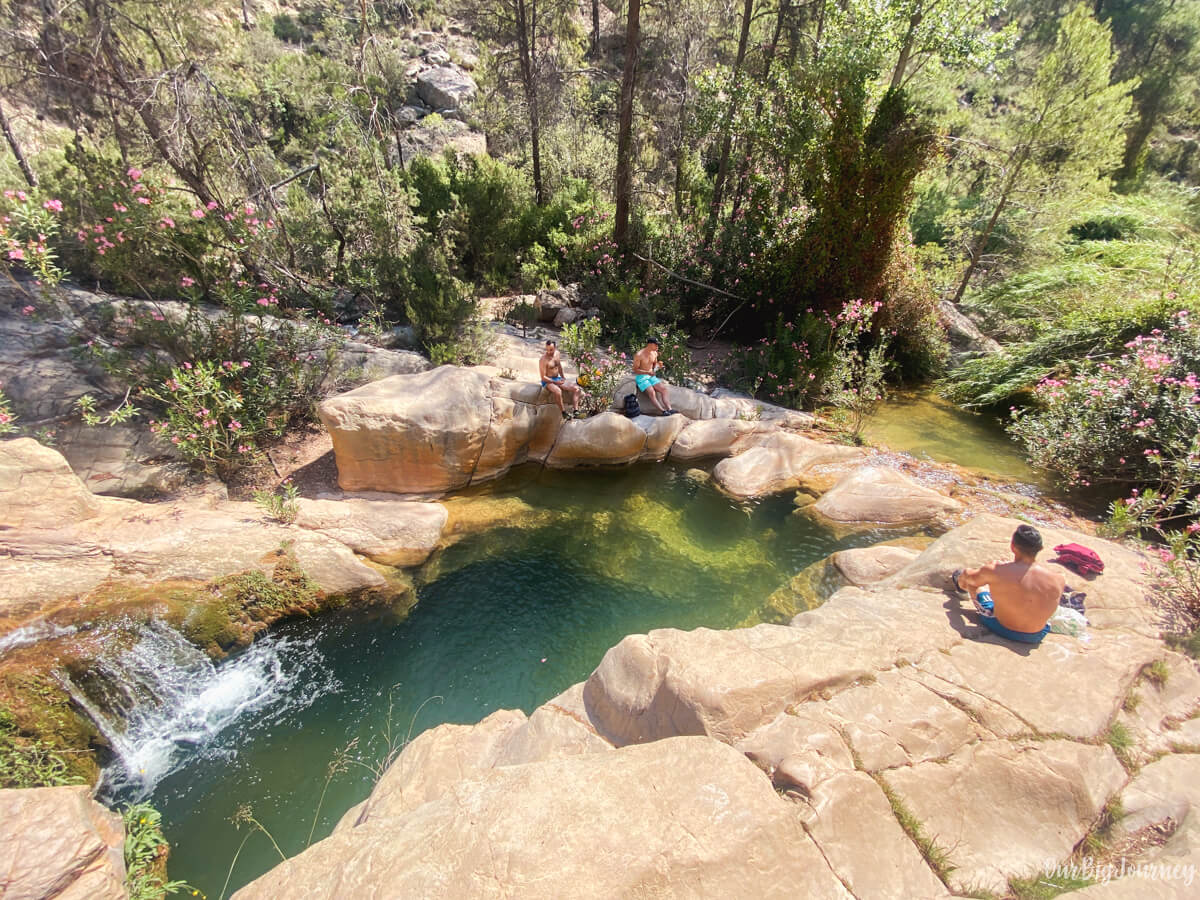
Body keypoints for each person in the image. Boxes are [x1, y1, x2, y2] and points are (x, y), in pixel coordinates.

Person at [952, 525, 1065, 644]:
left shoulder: (995, 569)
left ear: (1012, 547)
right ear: (1041, 548)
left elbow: (970, 577)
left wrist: (996, 569)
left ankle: (961, 588)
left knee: (970, 579)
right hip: (1037, 635)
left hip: (1004, 629)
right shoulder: (1059, 579)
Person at [538, 339, 583, 420]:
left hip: (557, 378)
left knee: (577, 389)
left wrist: (562, 377)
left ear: (555, 348)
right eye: (547, 349)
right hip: (548, 381)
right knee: (558, 391)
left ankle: (576, 411)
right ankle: (564, 413)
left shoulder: (557, 354)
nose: (548, 352)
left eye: (551, 349)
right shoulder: (543, 360)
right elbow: (543, 377)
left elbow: (559, 366)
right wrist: (555, 381)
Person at [631, 337, 677, 415]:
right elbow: (635, 370)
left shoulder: (654, 353)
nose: (657, 347)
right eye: (656, 345)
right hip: (641, 377)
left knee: (664, 390)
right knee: (652, 392)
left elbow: (654, 365)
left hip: (651, 376)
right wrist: (647, 372)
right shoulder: (639, 355)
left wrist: (659, 366)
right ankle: (663, 411)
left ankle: (670, 409)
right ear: (650, 344)